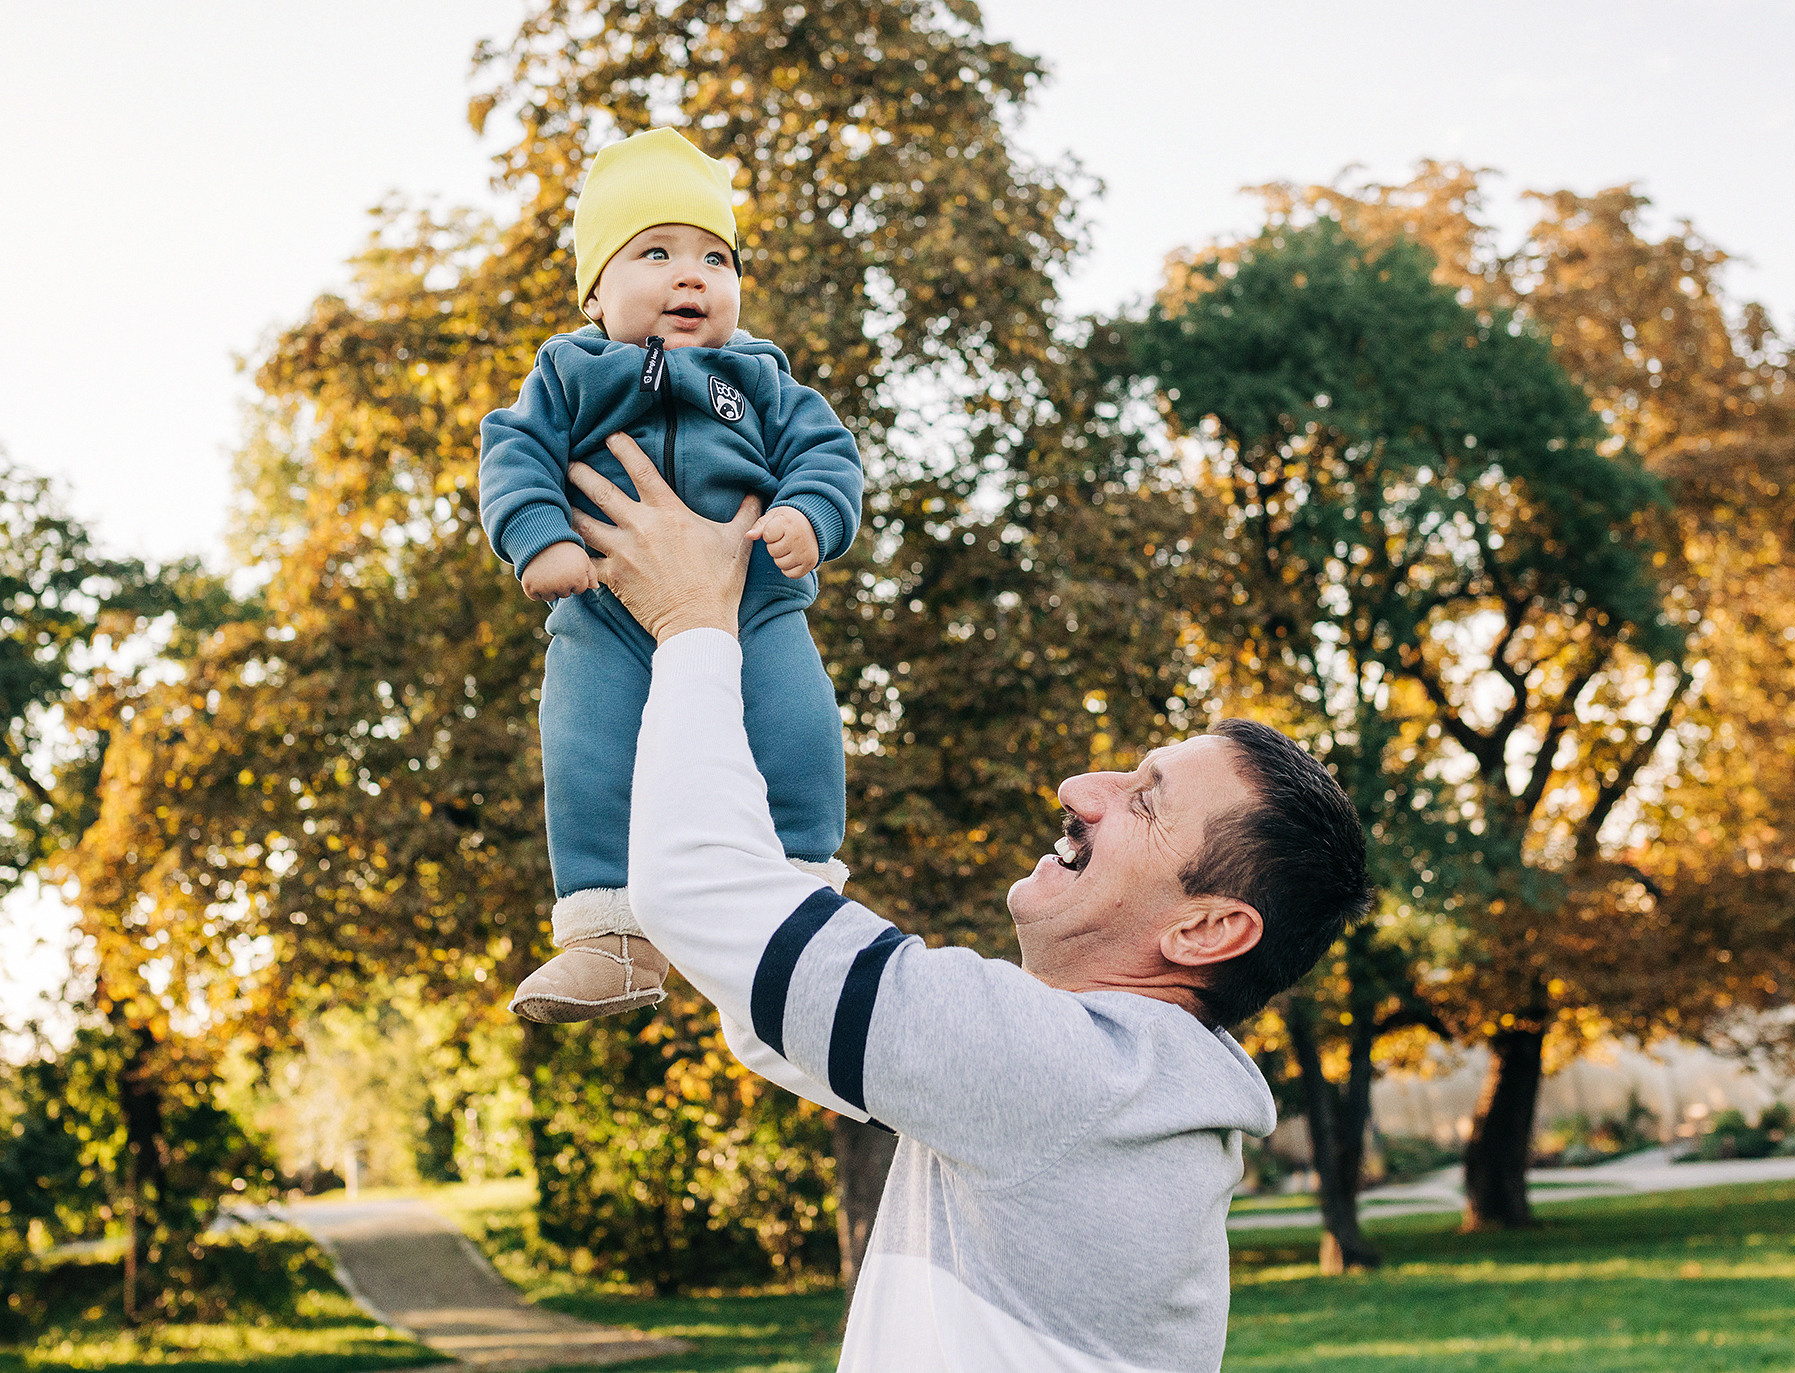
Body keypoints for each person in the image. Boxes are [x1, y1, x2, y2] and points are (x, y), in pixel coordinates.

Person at [568, 441, 1373, 1372]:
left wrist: (693, 623)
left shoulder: (1077, 1079)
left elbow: (700, 888)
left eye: (1143, 799)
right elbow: (769, 1010)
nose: (1080, 785)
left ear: (1205, 929)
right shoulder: (1125, 1090)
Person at [478, 127, 863, 1022]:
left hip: (756, 604)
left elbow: (828, 454)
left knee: (798, 730)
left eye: (716, 259)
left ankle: (802, 888)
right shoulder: (568, 371)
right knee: (586, 749)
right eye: (657, 252)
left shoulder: (762, 377)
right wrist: (539, 536)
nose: (693, 276)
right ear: (597, 291)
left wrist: (808, 514)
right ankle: (612, 939)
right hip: (602, 609)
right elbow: (513, 452)